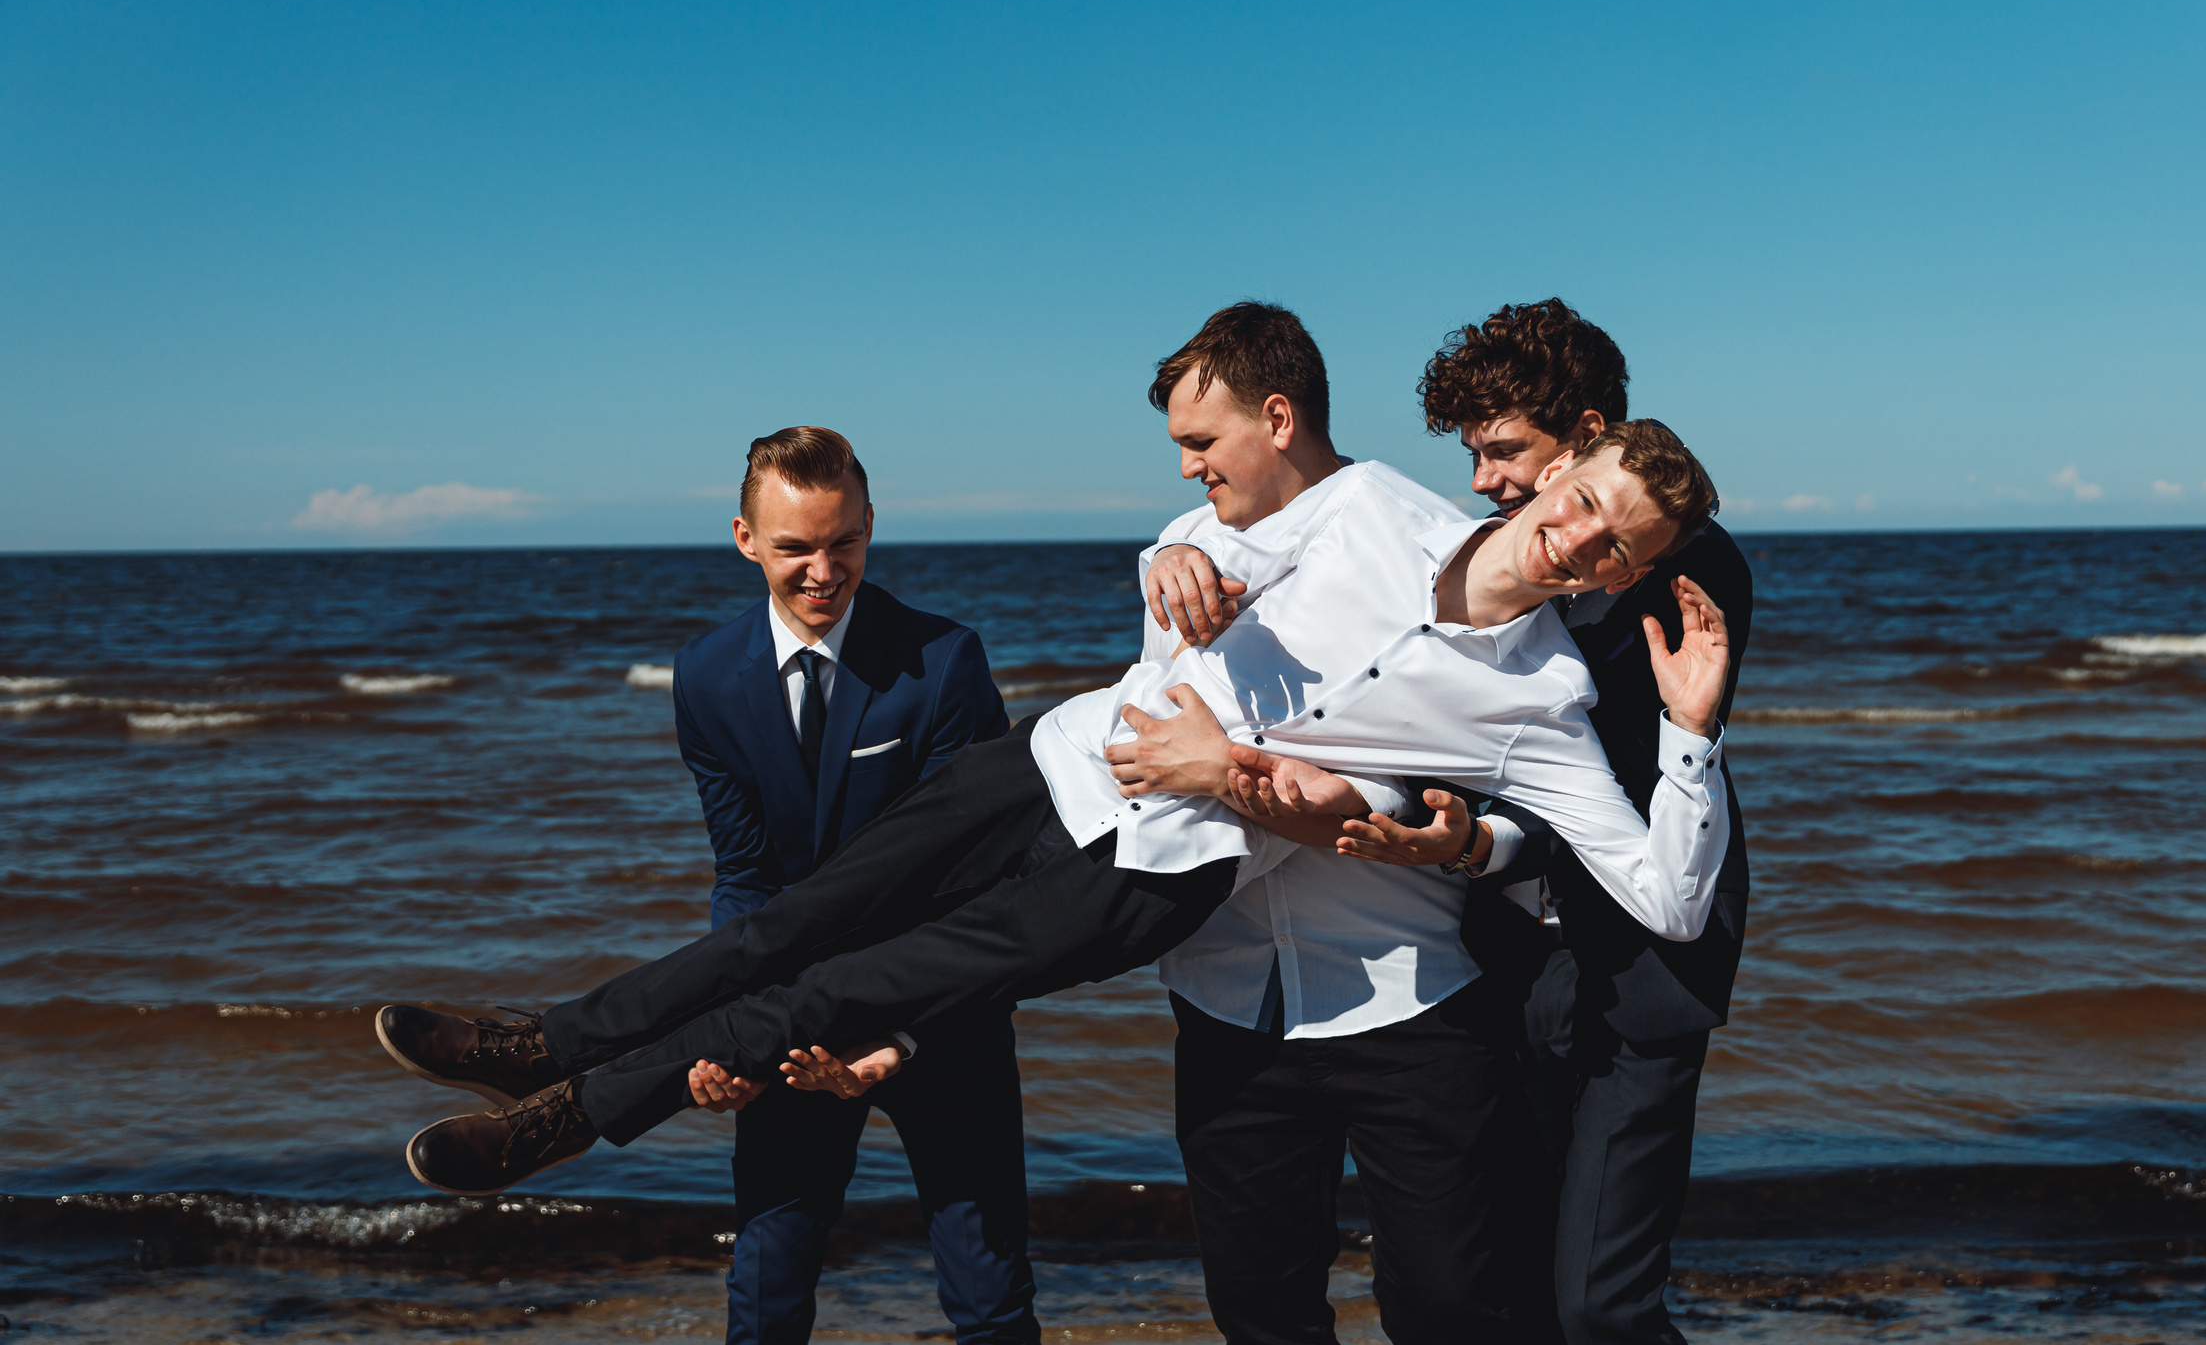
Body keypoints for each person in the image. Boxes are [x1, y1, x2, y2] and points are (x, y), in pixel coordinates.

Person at [374, 301, 1736, 1209]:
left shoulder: (1547, 700)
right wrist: (1182, 555)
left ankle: (563, 1119)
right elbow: (1199, 535)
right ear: (1567, 473)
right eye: (1584, 506)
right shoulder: (1376, 502)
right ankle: (538, 1037)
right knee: (801, 915)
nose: (1578, 541)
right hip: (1053, 756)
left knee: (852, 983)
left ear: (1625, 570)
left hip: (1155, 866)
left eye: (1618, 548)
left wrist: (1688, 733)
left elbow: (1665, 894)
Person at [378, 427, 1050, 1345]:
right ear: (745, 539)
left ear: (871, 529)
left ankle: (545, 1076)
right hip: (782, 1023)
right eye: (795, 547)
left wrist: (894, 1038)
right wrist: (730, 1045)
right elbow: (745, 883)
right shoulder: (706, 677)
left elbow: (973, 889)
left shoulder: (945, 662)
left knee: (988, 1296)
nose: (823, 571)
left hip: (938, 1016)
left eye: (843, 544)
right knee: (768, 1288)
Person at [1130, 312, 1549, 1345]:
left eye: (1202, 438)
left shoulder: (1434, 541)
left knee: (1453, 1317)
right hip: (1225, 998)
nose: (1186, 468)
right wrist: (1158, 566)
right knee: (1261, 1321)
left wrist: (1467, 832)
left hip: (1406, 996)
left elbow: (1506, 749)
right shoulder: (1183, 544)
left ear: (1278, 418)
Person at [1421, 300, 1753, 1345]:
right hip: (1513, 968)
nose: (1486, 481)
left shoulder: (1684, 569)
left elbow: (1591, 778)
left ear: (1588, 440)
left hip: (1637, 977)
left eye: (1505, 453)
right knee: (1523, 1297)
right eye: (1473, 458)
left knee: (1600, 1302)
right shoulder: (1488, 559)